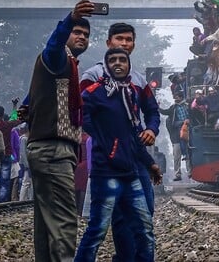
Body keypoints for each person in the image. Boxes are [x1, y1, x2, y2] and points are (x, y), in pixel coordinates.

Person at [79, 22, 160, 261]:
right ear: (108, 43)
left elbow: (152, 111)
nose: (124, 44)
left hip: (135, 157)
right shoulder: (93, 76)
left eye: (128, 40)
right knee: (112, 219)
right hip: (108, 161)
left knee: (146, 209)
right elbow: (83, 116)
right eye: (119, 39)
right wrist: (109, 141)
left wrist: (152, 130)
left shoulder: (136, 79)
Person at [26, 0, 94, 261]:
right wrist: (70, 18)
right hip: (53, 150)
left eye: (86, 35)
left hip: (48, 150)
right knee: (66, 223)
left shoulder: (67, 68)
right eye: (76, 32)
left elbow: (31, 100)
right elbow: (53, 45)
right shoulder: (56, 58)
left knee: (46, 226)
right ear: (66, 34)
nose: (82, 37)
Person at [159, 93, 190, 181]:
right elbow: (164, 112)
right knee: (177, 155)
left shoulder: (187, 106)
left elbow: (192, 115)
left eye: (177, 97)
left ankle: (190, 172)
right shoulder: (173, 108)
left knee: (188, 154)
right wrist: (158, 107)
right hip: (176, 135)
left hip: (187, 132)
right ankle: (177, 174)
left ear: (181, 97)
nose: (175, 98)